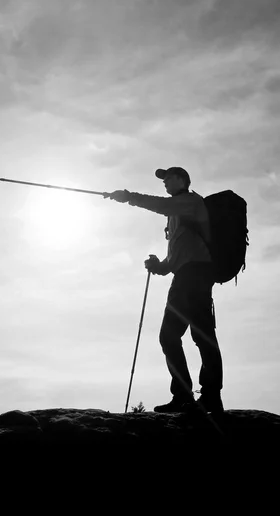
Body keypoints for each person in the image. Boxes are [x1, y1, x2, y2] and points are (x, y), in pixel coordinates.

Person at [105, 167, 224, 416]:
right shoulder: (177, 214)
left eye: (169, 177)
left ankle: (196, 396)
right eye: (164, 179)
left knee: (185, 336)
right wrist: (158, 265)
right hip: (189, 275)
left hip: (194, 275)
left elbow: (160, 205)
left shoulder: (190, 202)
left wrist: (129, 197)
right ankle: (194, 397)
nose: (165, 182)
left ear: (183, 180)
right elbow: (172, 263)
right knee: (191, 336)